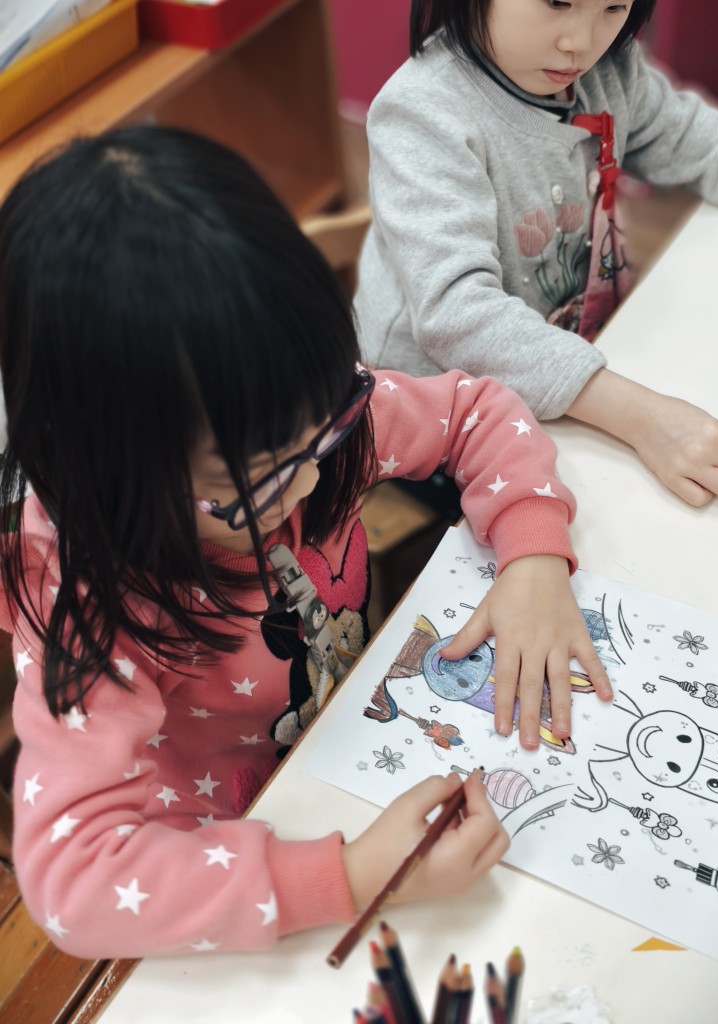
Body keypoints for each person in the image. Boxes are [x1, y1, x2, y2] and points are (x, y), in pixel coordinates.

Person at [0, 125, 611, 958]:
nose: (312, 481)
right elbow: (73, 886)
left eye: (326, 431)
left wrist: (533, 556)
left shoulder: (300, 418)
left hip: (358, 736)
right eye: (258, 480)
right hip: (231, 841)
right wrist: (347, 877)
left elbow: (475, 411)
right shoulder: (88, 603)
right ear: (118, 475)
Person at [355, 0, 718, 508]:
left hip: (575, 353)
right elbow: (458, 316)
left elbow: (713, 149)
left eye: (613, 7)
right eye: (557, 2)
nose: (581, 43)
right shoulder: (422, 112)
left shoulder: (609, 70)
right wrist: (645, 418)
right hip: (442, 411)